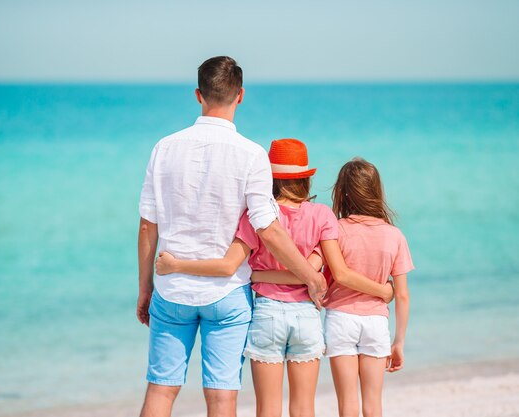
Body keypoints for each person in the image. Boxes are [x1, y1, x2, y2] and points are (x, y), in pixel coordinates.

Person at [137, 57, 328, 417]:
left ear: (198, 95)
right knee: (223, 398)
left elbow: (148, 225)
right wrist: (311, 277)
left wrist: (145, 287)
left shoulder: (164, 147)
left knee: (161, 391)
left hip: (171, 288)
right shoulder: (251, 154)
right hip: (227, 295)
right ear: (240, 95)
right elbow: (268, 230)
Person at [156, 139, 394, 417]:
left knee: (267, 410)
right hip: (306, 316)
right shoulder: (322, 215)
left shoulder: (255, 217)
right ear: (306, 178)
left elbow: (228, 266)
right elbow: (312, 272)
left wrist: (176, 264)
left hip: (267, 313)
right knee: (304, 408)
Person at [322, 158, 414, 417]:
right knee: (373, 406)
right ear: (376, 191)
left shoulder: (336, 230)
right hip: (376, 322)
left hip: (340, 319)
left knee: (347, 405)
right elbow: (402, 295)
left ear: (342, 192)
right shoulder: (394, 235)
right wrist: (399, 342)